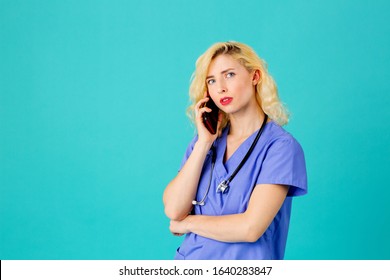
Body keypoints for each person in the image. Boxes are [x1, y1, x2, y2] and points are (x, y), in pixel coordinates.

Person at [163, 41, 307, 260]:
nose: (220, 87)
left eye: (229, 75)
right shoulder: (204, 143)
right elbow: (174, 210)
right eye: (211, 80)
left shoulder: (280, 148)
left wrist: (189, 223)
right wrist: (203, 143)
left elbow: (250, 228)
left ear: (255, 76)